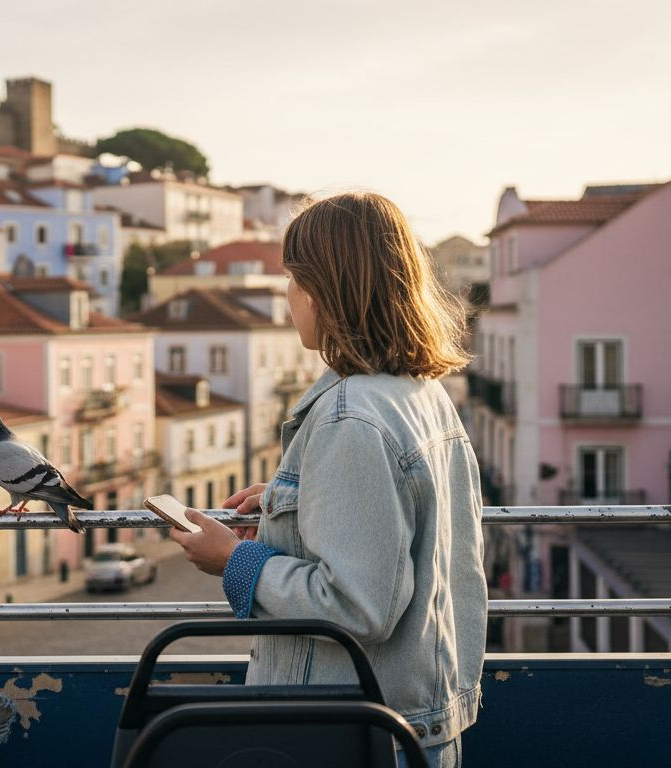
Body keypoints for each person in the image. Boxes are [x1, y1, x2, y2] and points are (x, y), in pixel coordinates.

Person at [170, 191, 487, 768]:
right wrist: (292, 501)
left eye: (293, 279)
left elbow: (356, 606)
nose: (287, 296)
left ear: (323, 290)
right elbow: (401, 526)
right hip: (411, 723)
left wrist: (231, 561)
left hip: (354, 734)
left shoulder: (352, 417)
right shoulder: (420, 393)